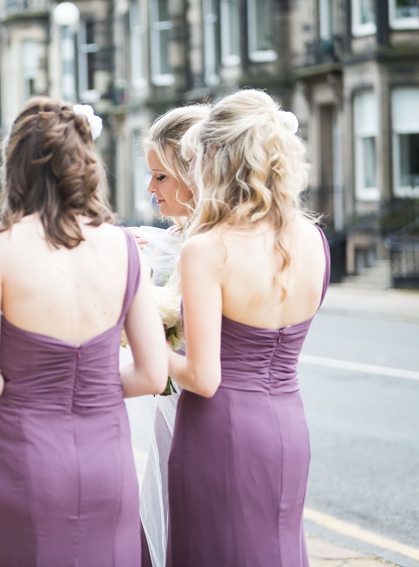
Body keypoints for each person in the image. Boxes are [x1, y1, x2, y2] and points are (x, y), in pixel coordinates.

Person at [0, 96, 168, 566]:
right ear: (85, 164)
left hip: (25, 454)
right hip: (106, 460)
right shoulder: (123, 245)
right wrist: (89, 389)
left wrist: (42, 391)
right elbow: (153, 376)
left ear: (16, 165)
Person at [166, 89, 329, 566]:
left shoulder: (207, 249)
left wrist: (145, 344)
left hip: (221, 431)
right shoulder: (313, 238)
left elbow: (203, 375)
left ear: (214, 158)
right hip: (288, 426)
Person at [126, 104, 209, 567]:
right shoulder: (170, 242)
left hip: (202, 409)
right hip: (171, 406)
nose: (150, 188)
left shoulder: (207, 250)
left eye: (161, 176)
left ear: (193, 174)